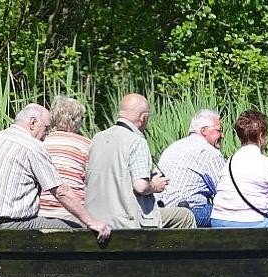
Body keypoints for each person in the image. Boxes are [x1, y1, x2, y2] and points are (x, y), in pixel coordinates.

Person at [0, 104, 112, 239]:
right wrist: (91, 222)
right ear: (33, 123)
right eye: (47, 128)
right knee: (78, 228)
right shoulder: (32, 146)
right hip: (10, 226)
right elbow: (61, 191)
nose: (46, 135)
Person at [83, 93, 197, 229]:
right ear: (144, 117)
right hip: (126, 222)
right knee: (185, 216)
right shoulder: (136, 141)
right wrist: (155, 186)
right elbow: (141, 186)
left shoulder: (98, 138)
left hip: (94, 219)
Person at [211, 110, 268, 228]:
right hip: (252, 223)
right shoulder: (266, 164)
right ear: (261, 136)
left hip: (219, 221)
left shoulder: (229, 162)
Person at [155, 109, 227, 227]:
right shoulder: (209, 152)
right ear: (204, 131)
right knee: (234, 213)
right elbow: (226, 191)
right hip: (188, 213)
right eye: (219, 130)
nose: (222, 135)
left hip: (162, 212)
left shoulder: (174, 146)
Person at [37, 95, 92, 225]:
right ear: (77, 120)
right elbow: (91, 182)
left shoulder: (40, 143)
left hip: (40, 211)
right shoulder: (87, 145)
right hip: (72, 213)